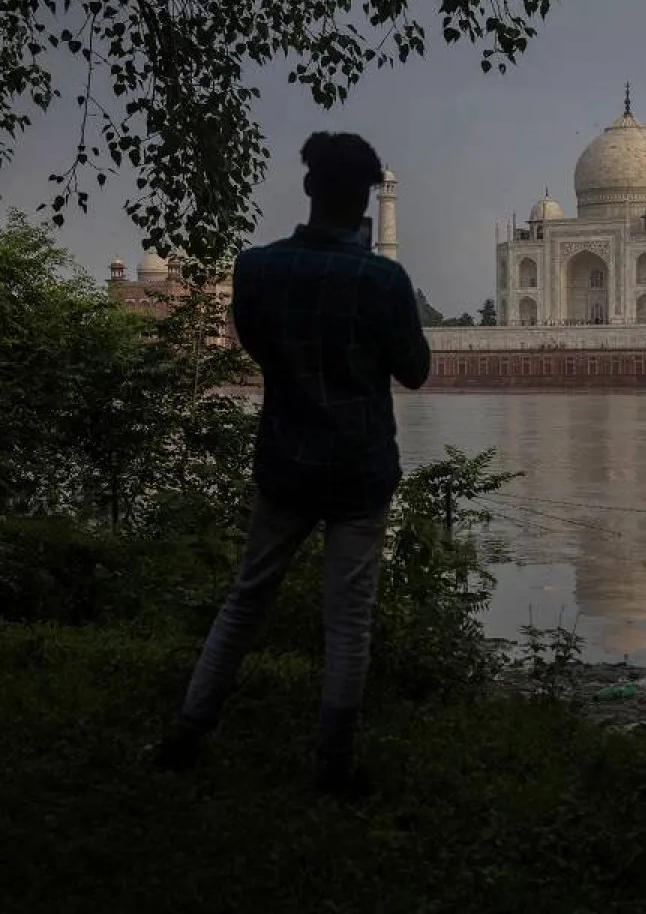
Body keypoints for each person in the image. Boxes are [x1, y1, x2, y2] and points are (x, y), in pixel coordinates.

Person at [152, 131, 431, 799]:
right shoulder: (383, 279)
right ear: (367, 197)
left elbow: (258, 348)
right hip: (361, 469)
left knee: (247, 599)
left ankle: (189, 734)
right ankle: (334, 767)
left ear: (309, 188)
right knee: (348, 618)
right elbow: (415, 371)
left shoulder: (256, 268)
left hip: (286, 458)